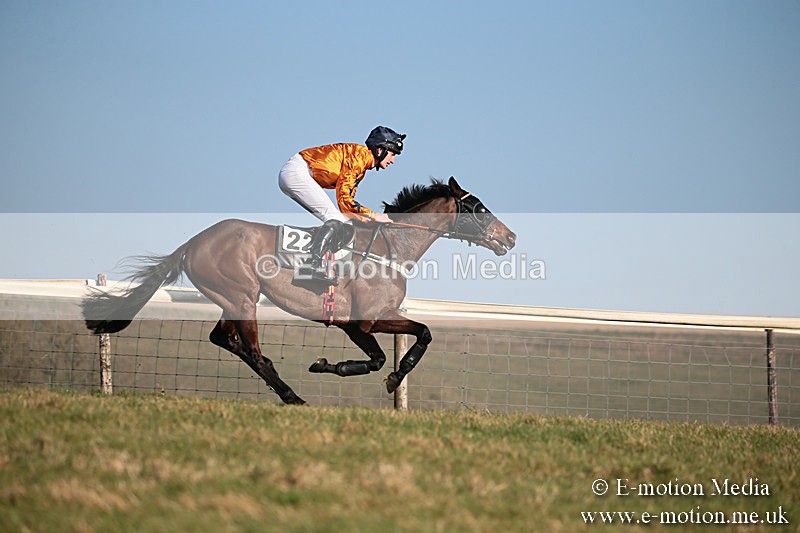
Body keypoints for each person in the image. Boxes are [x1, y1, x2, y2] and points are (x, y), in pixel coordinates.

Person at [278, 126, 406, 284]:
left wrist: (368, 220)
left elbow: (346, 208)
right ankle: (310, 266)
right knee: (334, 219)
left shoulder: (361, 162)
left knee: (341, 222)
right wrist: (374, 216)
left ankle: (317, 263)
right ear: (380, 150)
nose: (393, 160)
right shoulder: (359, 157)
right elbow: (345, 200)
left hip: (298, 173)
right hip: (297, 172)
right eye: (393, 154)